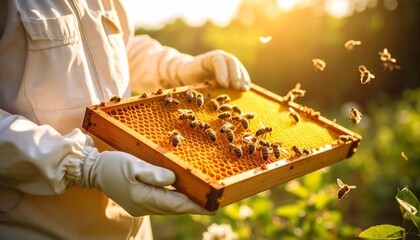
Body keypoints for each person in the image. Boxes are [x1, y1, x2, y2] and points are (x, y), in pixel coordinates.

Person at [0, 0, 251, 239]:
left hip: (134, 224)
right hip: (39, 227)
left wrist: (179, 68)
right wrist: (86, 166)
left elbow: (120, 48)